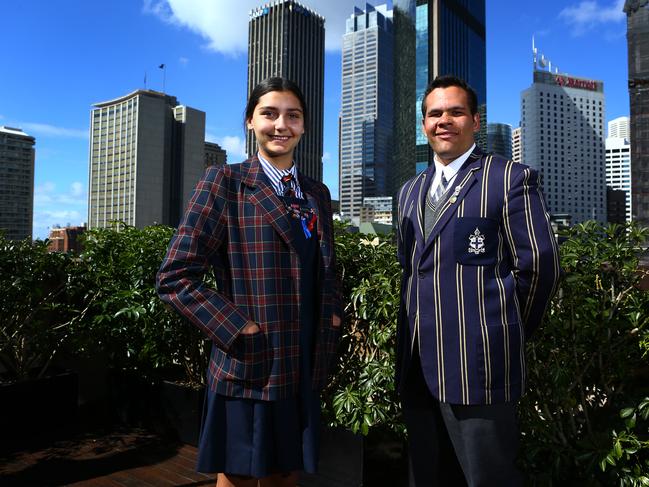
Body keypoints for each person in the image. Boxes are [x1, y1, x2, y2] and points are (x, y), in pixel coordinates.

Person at [156, 77, 342, 487]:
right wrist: (238, 327)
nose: (281, 125)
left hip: (303, 361)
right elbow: (174, 276)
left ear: (305, 126)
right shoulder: (225, 182)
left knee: (285, 472)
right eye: (269, 113)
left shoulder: (316, 194)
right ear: (250, 122)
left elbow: (324, 268)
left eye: (293, 116)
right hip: (250, 360)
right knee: (236, 476)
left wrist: (331, 317)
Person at [395, 75, 561, 485]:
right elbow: (409, 268)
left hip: (479, 367)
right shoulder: (409, 192)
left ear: (475, 120)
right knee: (429, 477)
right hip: (418, 365)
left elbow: (539, 265)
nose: (443, 120)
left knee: (488, 478)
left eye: (455, 112)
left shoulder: (508, 178)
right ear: (424, 125)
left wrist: (504, 330)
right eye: (434, 113)